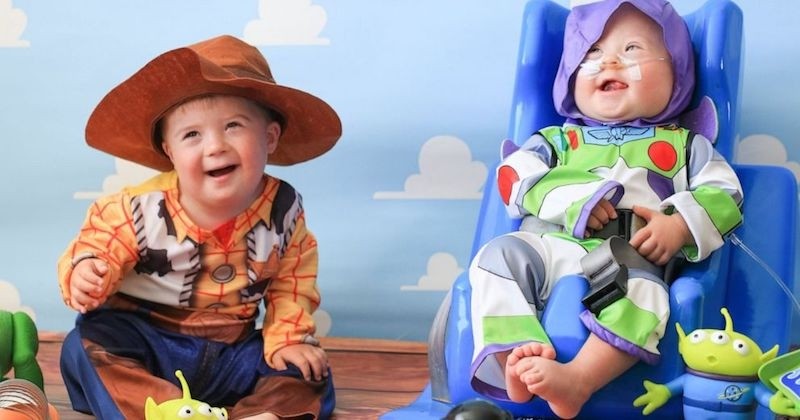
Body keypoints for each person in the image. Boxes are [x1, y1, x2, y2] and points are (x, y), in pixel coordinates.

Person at [467, 0, 743, 418]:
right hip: (553, 244)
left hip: (632, 254)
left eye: (633, 49)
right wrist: (575, 200)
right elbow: (514, 177)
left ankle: (579, 379)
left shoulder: (685, 145)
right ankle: (517, 356)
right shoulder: (558, 140)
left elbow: (725, 193)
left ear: (678, 73)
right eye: (590, 53)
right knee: (495, 259)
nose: (609, 60)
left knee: (646, 295)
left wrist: (680, 224)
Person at [57, 35, 341, 420]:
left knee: (309, 371)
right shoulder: (138, 209)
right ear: (169, 151)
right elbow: (100, 243)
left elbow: (293, 279)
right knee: (86, 347)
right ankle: (167, 411)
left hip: (231, 352)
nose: (215, 146)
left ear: (269, 137)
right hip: (146, 339)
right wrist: (88, 271)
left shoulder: (284, 211)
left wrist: (287, 339)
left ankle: (260, 414)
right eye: (192, 134)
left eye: (234, 126)